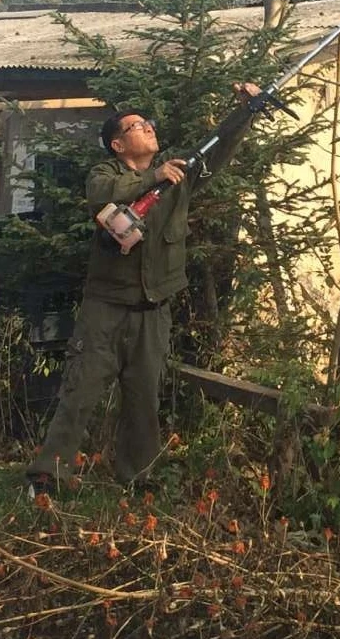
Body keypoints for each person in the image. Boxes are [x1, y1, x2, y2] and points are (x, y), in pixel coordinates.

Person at [25, 82, 265, 496]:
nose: (149, 127)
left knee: (143, 401)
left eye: (149, 123)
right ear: (118, 144)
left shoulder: (176, 179)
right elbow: (103, 197)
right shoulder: (107, 175)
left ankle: (139, 479)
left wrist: (245, 112)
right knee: (80, 393)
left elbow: (218, 154)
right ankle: (47, 476)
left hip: (153, 310)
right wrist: (153, 176)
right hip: (105, 310)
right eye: (138, 126)